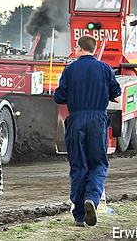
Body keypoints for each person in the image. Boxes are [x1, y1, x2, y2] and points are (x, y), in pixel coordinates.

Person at [54, 35, 121, 227]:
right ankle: (92, 197)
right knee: (98, 164)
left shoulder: (70, 69)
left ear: (79, 48)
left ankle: (79, 216)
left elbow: (59, 97)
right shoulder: (105, 69)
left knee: (78, 166)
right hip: (98, 120)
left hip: (76, 120)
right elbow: (116, 97)